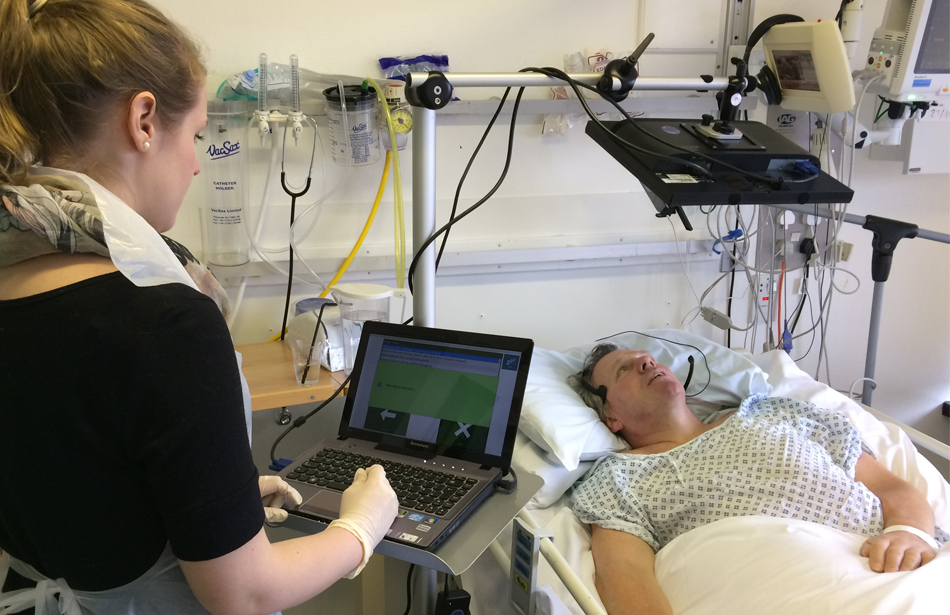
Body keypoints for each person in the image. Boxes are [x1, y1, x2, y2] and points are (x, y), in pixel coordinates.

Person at [0, 1, 397, 614]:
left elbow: (66, 480)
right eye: (198, 135)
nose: (193, 163)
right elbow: (246, 594)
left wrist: (212, 502)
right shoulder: (165, 324)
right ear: (144, 121)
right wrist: (360, 527)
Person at [567, 343, 946, 615]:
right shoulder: (619, 478)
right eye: (624, 370)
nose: (646, 363)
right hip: (785, 586)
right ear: (611, 418)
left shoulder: (775, 412)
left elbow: (889, 487)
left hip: (902, 568)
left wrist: (910, 534)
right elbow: (625, 574)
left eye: (645, 358)